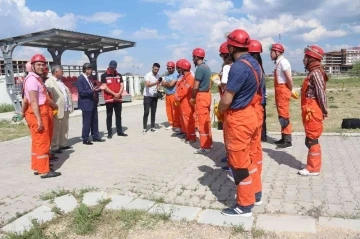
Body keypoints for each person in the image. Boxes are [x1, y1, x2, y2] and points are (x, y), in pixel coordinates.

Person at [218, 29, 262, 217]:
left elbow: (227, 99)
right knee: (249, 159)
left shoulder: (238, 66)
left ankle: (244, 205)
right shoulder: (254, 64)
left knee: (238, 163)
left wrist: (219, 109)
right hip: (251, 115)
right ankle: (256, 193)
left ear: (232, 46)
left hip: (239, 119)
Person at [23, 54, 61, 178]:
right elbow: (32, 101)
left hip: (40, 111)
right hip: (38, 112)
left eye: (43, 64)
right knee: (42, 142)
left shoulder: (35, 79)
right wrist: (39, 120)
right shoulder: (32, 80)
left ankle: (38, 166)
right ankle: (44, 170)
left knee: (37, 142)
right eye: (38, 64)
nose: (41, 67)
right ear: (32, 66)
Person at [298, 45, 328, 176]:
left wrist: (324, 110)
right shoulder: (312, 73)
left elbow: (321, 93)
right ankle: (311, 163)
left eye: (306, 57)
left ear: (312, 58)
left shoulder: (315, 73)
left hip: (313, 110)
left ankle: (313, 168)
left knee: (312, 140)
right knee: (309, 139)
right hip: (309, 109)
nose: (303, 60)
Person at [248, 39, 266, 205]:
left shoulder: (251, 68)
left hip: (252, 111)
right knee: (256, 147)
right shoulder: (259, 68)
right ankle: (257, 177)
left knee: (250, 152)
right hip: (258, 110)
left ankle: (255, 189)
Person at [270, 43, 295, 149]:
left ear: (277, 52)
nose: (270, 54)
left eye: (272, 52)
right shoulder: (279, 62)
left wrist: (291, 89)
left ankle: (287, 141)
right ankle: (284, 137)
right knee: (281, 115)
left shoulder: (283, 62)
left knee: (284, 116)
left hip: (283, 90)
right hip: (279, 90)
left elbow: (289, 78)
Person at [45, 65, 73, 153]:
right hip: (56, 108)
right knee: (56, 128)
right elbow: (48, 96)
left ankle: (63, 144)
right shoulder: (49, 82)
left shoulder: (60, 81)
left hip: (65, 107)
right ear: (56, 72)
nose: (63, 72)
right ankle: (54, 147)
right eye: (61, 71)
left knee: (64, 127)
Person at [76, 63, 105, 145]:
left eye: (91, 69)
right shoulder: (80, 79)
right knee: (87, 122)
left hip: (93, 102)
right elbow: (82, 92)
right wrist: (93, 91)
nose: (91, 70)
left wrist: (99, 89)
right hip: (86, 103)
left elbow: (93, 88)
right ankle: (85, 138)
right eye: (89, 69)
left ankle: (95, 136)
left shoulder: (90, 78)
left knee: (94, 120)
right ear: (85, 70)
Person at [190, 48, 213, 154]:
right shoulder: (207, 67)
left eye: (193, 57)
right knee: (207, 121)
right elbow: (209, 84)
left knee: (202, 122)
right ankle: (209, 142)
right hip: (207, 95)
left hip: (201, 96)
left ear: (196, 57)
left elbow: (195, 86)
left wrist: (193, 97)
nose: (193, 59)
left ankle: (205, 146)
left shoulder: (199, 68)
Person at [101, 60, 127, 139]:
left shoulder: (119, 75)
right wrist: (114, 94)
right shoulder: (104, 75)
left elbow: (122, 85)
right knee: (109, 116)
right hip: (109, 99)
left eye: (113, 68)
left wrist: (119, 93)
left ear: (115, 67)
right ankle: (109, 133)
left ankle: (119, 131)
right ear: (109, 66)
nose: (111, 69)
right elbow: (105, 87)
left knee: (118, 116)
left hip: (118, 99)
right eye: (110, 67)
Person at [174, 59, 196, 144]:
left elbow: (184, 90)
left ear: (183, 69)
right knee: (184, 120)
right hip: (183, 102)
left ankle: (192, 137)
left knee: (188, 120)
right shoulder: (184, 78)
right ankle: (188, 135)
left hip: (186, 102)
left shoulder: (189, 78)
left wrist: (177, 97)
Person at [161, 61, 181, 131]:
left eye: (170, 68)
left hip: (173, 94)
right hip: (167, 95)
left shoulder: (176, 75)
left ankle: (177, 125)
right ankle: (171, 124)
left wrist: (166, 84)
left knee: (175, 110)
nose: (169, 70)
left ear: (173, 68)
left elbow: (171, 85)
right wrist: (167, 84)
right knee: (168, 110)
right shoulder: (166, 76)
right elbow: (162, 83)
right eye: (168, 68)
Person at [143, 63, 162, 134]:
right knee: (146, 112)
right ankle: (144, 128)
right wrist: (156, 82)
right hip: (147, 96)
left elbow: (158, 85)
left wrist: (159, 90)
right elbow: (147, 84)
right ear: (152, 68)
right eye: (155, 69)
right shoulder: (148, 75)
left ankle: (152, 127)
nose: (156, 71)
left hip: (154, 97)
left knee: (153, 112)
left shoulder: (158, 76)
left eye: (158, 70)